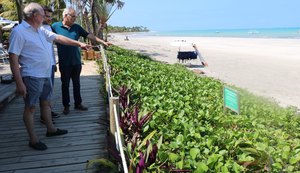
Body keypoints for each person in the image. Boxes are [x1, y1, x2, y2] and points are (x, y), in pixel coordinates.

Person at [8, 2, 91, 150]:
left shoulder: (40, 30)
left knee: (46, 103)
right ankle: (33, 140)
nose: (45, 17)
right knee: (31, 108)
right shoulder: (19, 32)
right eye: (42, 13)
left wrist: (79, 44)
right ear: (35, 15)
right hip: (31, 76)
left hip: (45, 74)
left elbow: (58, 38)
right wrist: (19, 83)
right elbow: (13, 58)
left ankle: (51, 129)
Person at [52, 7, 111, 115]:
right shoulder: (55, 26)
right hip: (64, 63)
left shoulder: (77, 27)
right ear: (66, 16)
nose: (75, 18)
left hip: (76, 61)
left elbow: (90, 36)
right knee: (65, 85)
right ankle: (66, 106)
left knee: (77, 83)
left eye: (75, 16)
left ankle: (78, 103)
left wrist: (102, 41)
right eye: (73, 16)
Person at [39, 6, 59, 124]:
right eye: (47, 16)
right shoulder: (37, 29)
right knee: (43, 93)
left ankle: (48, 113)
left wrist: (54, 62)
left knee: (49, 91)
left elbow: (50, 47)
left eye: (51, 16)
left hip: (50, 64)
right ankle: (44, 117)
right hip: (42, 66)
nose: (49, 18)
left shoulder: (48, 27)